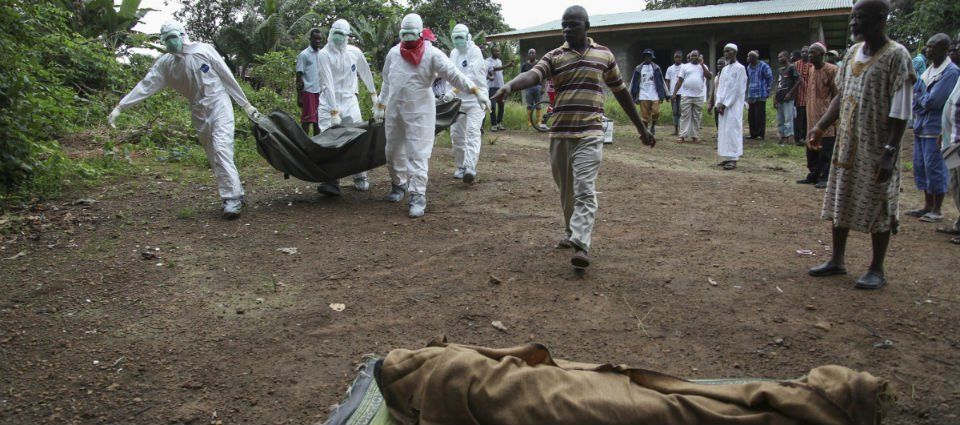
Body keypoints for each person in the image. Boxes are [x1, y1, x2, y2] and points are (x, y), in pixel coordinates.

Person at [491, 5, 655, 270]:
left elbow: (621, 92)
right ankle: (572, 231)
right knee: (566, 192)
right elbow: (533, 75)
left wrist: (641, 128)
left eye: (573, 25)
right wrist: (509, 85)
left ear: (587, 25)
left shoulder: (604, 55)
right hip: (560, 134)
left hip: (590, 133)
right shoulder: (555, 56)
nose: (567, 29)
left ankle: (581, 243)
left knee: (584, 189)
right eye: (564, 25)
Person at [807, 0, 916, 290]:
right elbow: (840, 97)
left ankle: (876, 268)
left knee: (878, 201)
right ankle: (837, 260)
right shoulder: (853, 53)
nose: (853, 23)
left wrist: (890, 153)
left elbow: (902, 111)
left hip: (878, 146)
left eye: (860, 17)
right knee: (841, 195)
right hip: (847, 143)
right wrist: (820, 127)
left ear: (880, 18)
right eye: (852, 17)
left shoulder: (897, 56)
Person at [108, 21, 260, 220]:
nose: (171, 42)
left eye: (173, 37)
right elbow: (146, 85)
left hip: (218, 103)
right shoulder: (166, 65)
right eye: (167, 39)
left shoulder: (204, 51)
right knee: (213, 153)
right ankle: (235, 190)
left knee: (222, 147)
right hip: (198, 109)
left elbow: (226, 76)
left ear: (182, 35)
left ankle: (231, 199)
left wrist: (246, 105)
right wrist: (121, 106)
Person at [376, 14, 490, 218]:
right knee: (392, 151)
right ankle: (398, 185)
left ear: (420, 33)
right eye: (404, 34)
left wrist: (476, 91)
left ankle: (418, 196)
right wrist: (381, 104)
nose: (408, 38)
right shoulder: (394, 54)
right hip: (395, 109)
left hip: (420, 110)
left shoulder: (432, 54)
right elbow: (386, 80)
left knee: (417, 153)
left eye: (412, 34)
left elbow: (455, 74)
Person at [313, 19, 379, 196]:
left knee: (357, 138)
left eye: (343, 34)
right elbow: (327, 83)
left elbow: (365, 72)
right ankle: (331, 180)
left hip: (350, 101)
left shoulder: (354, 53)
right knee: (329, 143)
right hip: (329, 103)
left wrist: (374, 95)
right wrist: (334, 111)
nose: (339, 38)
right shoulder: (324, 54)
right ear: (331, 33)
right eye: (336, 33)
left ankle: (360, 176)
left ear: (348, 36)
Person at [905, 33, 959, 223]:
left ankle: (937, 209)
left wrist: (920, 100)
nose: (928, 50)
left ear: (944, 50)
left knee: (934, 167)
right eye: (927, 46)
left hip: (935, 128)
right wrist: (920, 100)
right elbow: (917, 97)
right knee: (921, 166)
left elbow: (934, 101)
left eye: (933, 47)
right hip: (921, 125)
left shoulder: (950, 72)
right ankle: (927, 205)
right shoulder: (929, 70)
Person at [448, 24, 488, 184]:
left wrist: (454, 91)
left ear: (467, 37)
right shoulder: (453, 53)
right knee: (456, 134)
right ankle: (460, 166)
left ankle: (470, 167)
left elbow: (470, 75)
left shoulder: (475, 51)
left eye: (460, 37)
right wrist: (448, 93)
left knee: (472, 132)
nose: (458, 41)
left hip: (476, 98)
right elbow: (450, 74)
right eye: (455, 38)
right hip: (458, 101)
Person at [798, 42, 840, 188]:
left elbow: (837, 95)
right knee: (811, 148)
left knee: (826, 149)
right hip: (811, 113)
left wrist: (834, 116)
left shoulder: (832, 70)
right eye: (809, 52)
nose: (810, 55)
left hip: (826, 115)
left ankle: (826, 177)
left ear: (822, 54)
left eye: (813, 53)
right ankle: (813, 175)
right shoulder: (811, 70)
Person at [938, 35, 960, 243]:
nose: (954, 49)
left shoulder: (953, 72)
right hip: (952, 140)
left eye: (958, 46)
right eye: (954, 45)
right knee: (956, 184)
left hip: (958, 142)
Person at [714, 44, 747, 170]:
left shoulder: (740, 69)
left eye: (728, 51)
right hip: (723, 106)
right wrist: (718, 102)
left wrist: (726, 103)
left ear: (734, 52)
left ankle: (734, 158)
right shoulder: (725, 69)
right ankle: (727, 156)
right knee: (724, 131)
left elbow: (737, 89)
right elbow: (721, 88)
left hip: (733, 106)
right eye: (724, 51)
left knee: (733, 130)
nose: (726, 54)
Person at [672, 50, 712, 144]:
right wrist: (674, 93)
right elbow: (679, 81)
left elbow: (709, 77)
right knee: (685, 115)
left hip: (699, 96)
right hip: (686, 95)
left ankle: (695, 136)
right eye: (692, 55)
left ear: (699, 56)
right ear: (690, 57)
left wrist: (702, 65)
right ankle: (682, 135)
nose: (694, 57)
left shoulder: (703, 66)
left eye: (696, 56)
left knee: (696, 116)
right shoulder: (685, 67)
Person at [629, 48, 668, 135]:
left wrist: (665, 94)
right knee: (644, 116)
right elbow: (633, 82)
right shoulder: (638, 68)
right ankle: (645, 133)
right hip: (643, 94)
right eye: (646, 56)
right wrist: (632, 95)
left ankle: (653, 126)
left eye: (649, 56)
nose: (648, 58)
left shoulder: (656, 68)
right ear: (644, 57)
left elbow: (662, 82)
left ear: (652, 57)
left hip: (654, 94)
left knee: (656, 112)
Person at [296, 29, 324, 136]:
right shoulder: (304, 55)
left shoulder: (322, 54)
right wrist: (300, 96)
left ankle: (317, 145)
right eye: (315, 38)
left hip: (320, 93)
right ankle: (304, 145)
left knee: (318, 121)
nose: (317, 41)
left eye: (319, 39)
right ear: (310, 39)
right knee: (307, 121)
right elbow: (299, 75)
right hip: (308, 92)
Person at [773, 51, 800, 145]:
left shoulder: (792, 67)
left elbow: (799, 81)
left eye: (781, 57)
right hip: (780, 97)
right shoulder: (780, 70)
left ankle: (790, 137)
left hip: (788, 98)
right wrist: (775, 98)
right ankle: (782, 136)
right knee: (780, 119)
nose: (779, 59)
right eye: (778, 57)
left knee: (788, 119)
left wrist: (790, 93)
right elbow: (778, 83)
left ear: (786, 57)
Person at [746, 50, 773, 140]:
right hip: (751, 94)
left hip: (761, 94)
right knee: (751, 116)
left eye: (749, 57)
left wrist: (768, 90)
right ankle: (753, 134)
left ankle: (760, 134)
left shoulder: (764, 66)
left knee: (760, 115)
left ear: (754, 58)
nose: (747, 58)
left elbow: (770, 78)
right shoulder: (749, 67)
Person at [485, 46, 513, 131]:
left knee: (501, 105)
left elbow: (500, 73)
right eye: (496, 51)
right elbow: (495, 69)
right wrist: (507, 65)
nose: (498, 53)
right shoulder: (488, 61)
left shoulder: (499, 61)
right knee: (492, 106)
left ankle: (499, 123)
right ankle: (493, 125)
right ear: (492, 52)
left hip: (501, 86)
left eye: (499, 51)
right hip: (492, 87)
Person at [522, 48, 548, 131]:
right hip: (528, 87)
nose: (532, 54)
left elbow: (544, 76)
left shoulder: (539, 64)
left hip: (538, 87)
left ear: (535, 54)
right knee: (529, 105)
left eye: (533, 53)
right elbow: (522, 77)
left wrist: (543, 87)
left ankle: (539, 121)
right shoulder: (524, 65)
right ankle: (529, 121)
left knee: (538, 105)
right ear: (528, 55)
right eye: (530, 53)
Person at [794, 46, 813, 146]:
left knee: (807, 118)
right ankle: (798, 138)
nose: (804, 53)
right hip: (798, 97)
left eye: (806, 52)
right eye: (803, 52)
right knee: (798, 119)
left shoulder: (812, 65)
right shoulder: (796, 65)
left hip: (809, 97)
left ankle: (806, 137)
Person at [665, 51, 685, 135]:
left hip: (683, 93)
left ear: (681, 57)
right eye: (676, 57)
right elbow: (667, 81)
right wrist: (667, 92)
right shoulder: (670, 68)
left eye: (679, 57)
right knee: (674, 112)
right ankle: (676, 129)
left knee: (681, 112)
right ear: (674, 58)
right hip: (673, 93)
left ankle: (682, 129)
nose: (677, 58)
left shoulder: (685, 67)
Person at [707, 57, 726, 131]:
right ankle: (719, 134)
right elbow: (713, 90)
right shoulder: (716, 77)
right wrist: (711, 103)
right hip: (716, 102)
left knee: (723, 121)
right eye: (718, 64)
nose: (719, 66)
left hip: (723, 103)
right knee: (717, 120)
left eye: (722, 64)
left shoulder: (726, 77)